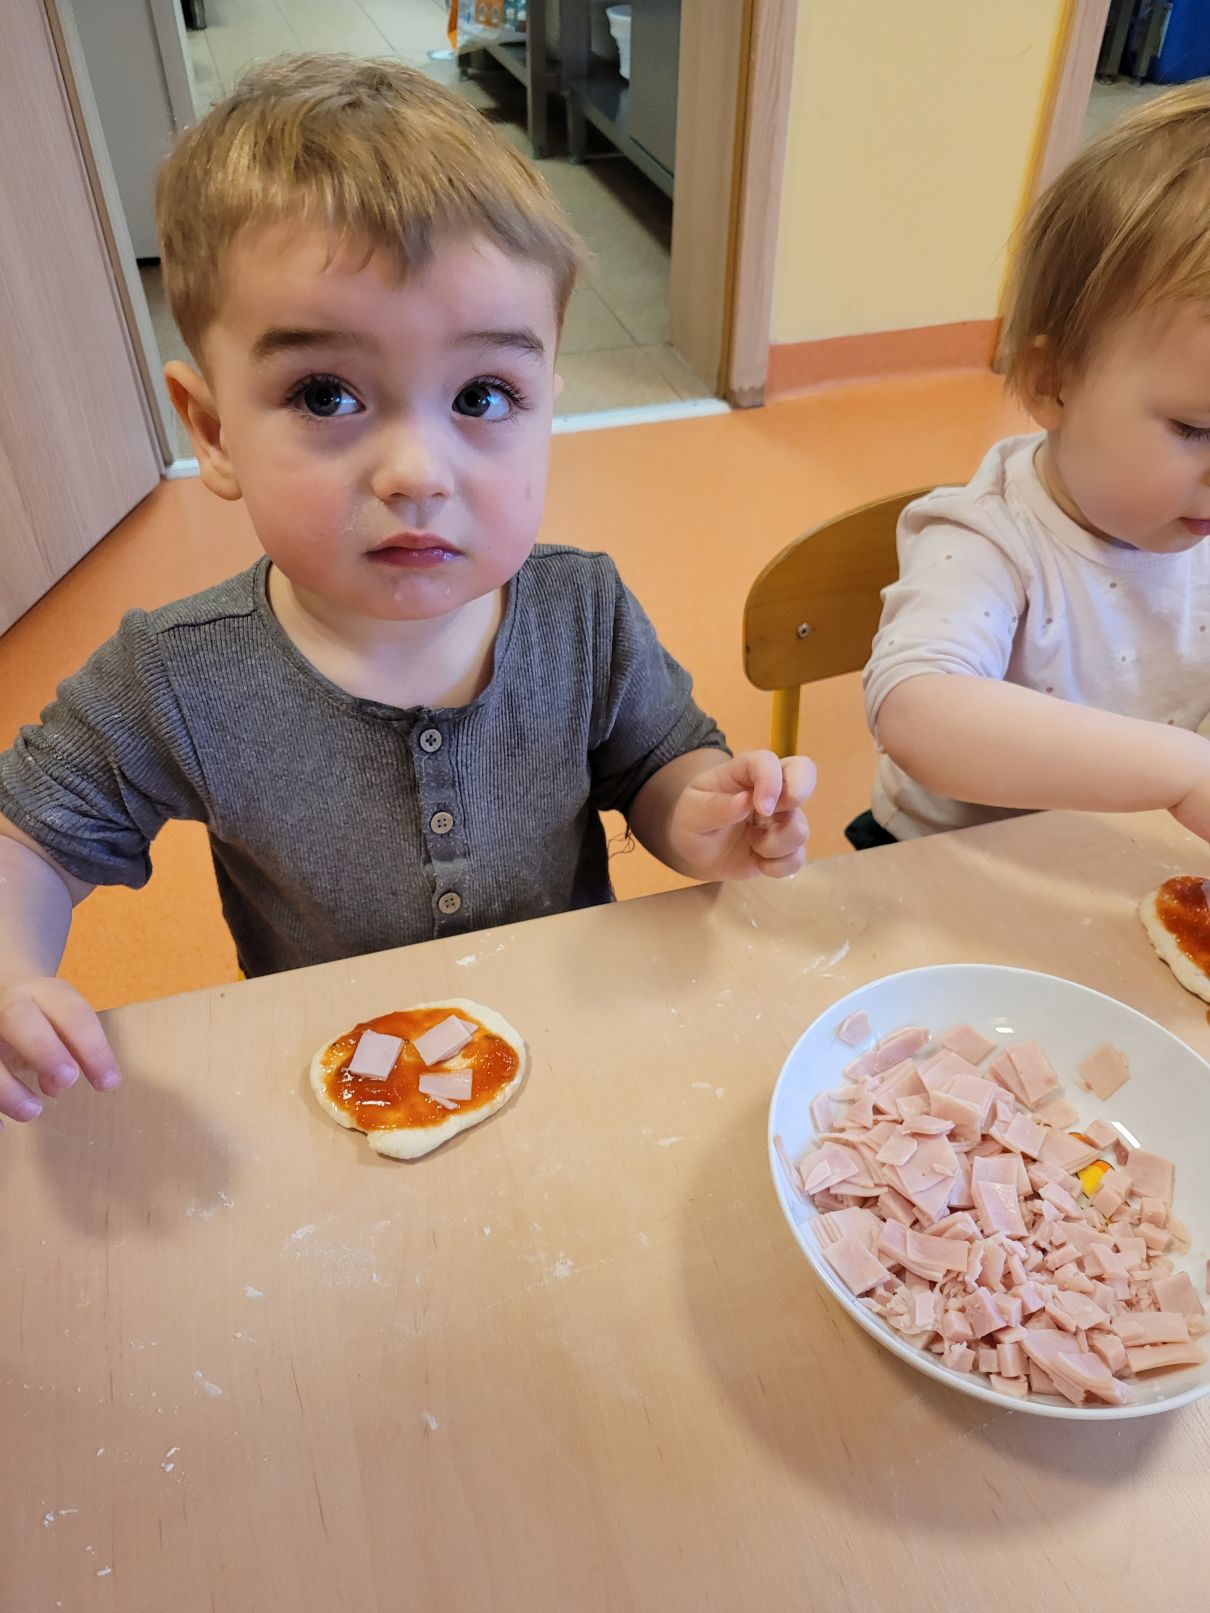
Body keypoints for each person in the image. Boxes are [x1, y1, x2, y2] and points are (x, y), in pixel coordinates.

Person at [0, 56, 815, 1126]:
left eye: (483, 395)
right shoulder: (177, 676)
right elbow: (29, 834)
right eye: (325, 394)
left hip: (565, 1046)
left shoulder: (584, 611)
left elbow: (659, 760)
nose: (418, 473)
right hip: (336, 1084)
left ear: (546, 406)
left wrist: (698, 812)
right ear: (212, 429)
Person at [856, 83, 1210, 851]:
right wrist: (1185, 771)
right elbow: (917, 710)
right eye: (1196, 428)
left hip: (1125, 856)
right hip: (949, 864)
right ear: (1053, 383)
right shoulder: (989, 540)